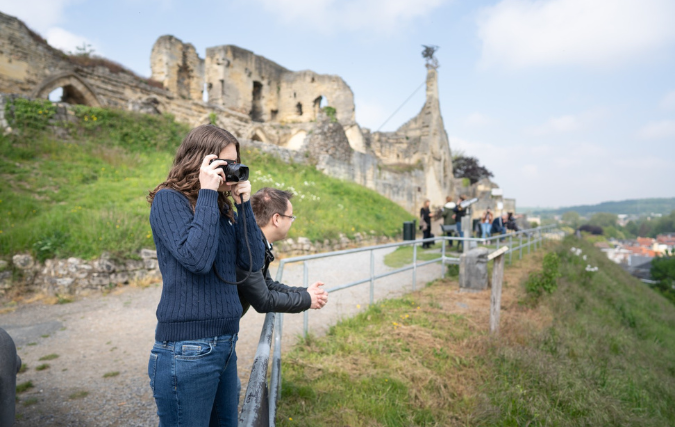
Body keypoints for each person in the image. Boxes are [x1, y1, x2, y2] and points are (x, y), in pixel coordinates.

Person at [147, 124, 265, 427]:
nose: (232, 171)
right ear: (202, 162)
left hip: (225, 342)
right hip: (187, 349)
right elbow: (196, 259)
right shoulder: (169, 200)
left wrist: (244, 206)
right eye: (225, 164)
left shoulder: (220, 208)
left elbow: (251, 261)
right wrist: (209, 193)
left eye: (235, 162)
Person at [237, 187, 328, 315]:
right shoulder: (248, 247)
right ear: (276, 219)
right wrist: (306, 299)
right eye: (290, 217)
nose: (291, 222)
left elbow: (267, 284)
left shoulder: (255, 243)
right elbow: (263, 301)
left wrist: (305, 293)